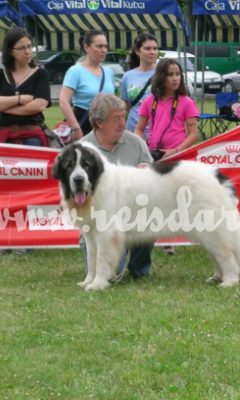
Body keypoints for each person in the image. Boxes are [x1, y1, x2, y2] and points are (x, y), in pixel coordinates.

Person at [0, 27, 51, 257]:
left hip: (31, 136)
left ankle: (26, 239)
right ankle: (4, 239)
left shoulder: (40, 74)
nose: (27, 52)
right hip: (4, 136)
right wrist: (21, 99)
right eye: (21, 48)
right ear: (10, 50)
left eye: (29, 47)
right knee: (3, 189)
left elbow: (40, 105)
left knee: (28, 189)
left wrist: (3, 103)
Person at [81, 93, 154, 279]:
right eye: (116, 119)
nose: (123, 123)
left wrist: (147, 172)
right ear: (99, 123)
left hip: (134, 214)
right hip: (99, 222)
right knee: (110, 276)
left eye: (124, 117)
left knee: (152, 217)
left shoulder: (136, 143)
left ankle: (140, 268)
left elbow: (153, 180)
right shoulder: (83, 148)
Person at [134, 58, 200, 256]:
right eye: (170, 74)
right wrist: (142, 149)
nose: (175, 79)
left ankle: (176, 238)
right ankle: (161, 238)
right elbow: (138, 129)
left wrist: (176, 150)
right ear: (161, 77)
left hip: (178, 158)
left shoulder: (186, 102)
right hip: (155, 157)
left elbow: (194, 134)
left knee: (177, 200)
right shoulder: (149, 101)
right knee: (157, 200)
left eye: (178, 74)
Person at [59, 30, 115, 142]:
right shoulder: (75, 71)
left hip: (105, 126)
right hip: (83, 125)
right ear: (86, 47)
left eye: (105, 46)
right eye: (99, 46)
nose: (103, 50)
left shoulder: (108, 72)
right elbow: (63, 101)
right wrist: (76, 128)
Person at [120, 32, 158, 138]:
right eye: (147, 48)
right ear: (137, 51)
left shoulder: (163, 73)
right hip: (132, 130)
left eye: (155, 48)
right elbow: (127, 105)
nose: (152, 52)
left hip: (157, 131)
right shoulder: (127, 76)